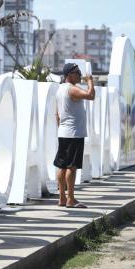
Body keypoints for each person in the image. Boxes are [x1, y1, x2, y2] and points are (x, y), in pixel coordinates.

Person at [54, 63, 95, 208]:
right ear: (69, 75)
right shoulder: (71, 89)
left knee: (62, 165)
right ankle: (70, 199)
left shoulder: (60, 89)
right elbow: (91, 95)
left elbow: (57, 114)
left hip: (64, 132)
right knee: (71, 167)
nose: (79, 75)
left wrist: (61, 127)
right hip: (74, 133)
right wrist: (90, 80)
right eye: (77, 72)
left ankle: (62, 198)